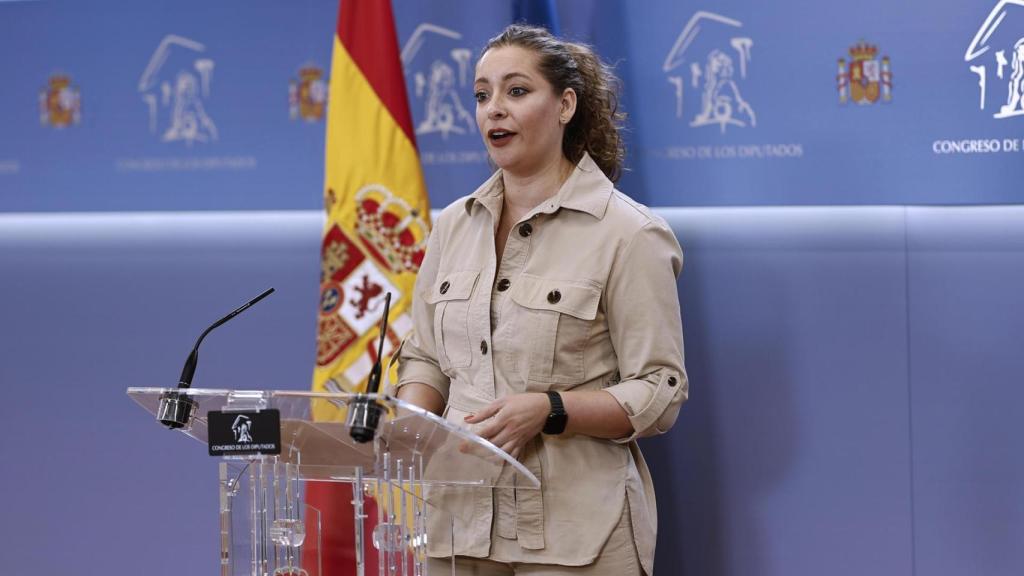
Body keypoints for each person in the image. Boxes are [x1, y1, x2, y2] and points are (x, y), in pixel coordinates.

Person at [396, 24, 687, 576]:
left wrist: (550, 409)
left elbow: (658, 390)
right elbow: (426, 357)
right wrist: (408, 422)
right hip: (458, 525)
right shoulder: (453, 225)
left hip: (577, 534)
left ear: (565, 106)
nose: (494, 109)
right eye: (482, 95)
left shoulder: (630, 233)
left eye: (516, 91)